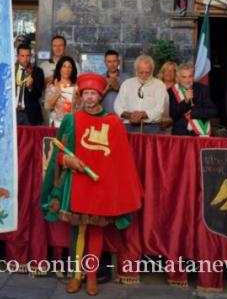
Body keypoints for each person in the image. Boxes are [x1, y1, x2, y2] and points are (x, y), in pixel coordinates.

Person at [41, 73, 143, 295]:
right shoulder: (71, 120)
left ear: (99, 96)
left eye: (93, 93)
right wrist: (67, 159)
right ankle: (76, 276)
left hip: (101, 187)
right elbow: (58, 153)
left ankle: (92, 277)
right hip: (77, 185)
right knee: (78, 232)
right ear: (81, 95)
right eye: (85, 93)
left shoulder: (113, 122)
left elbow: (121, 162)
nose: (89, 97)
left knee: (96, 232)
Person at [114, 55, 169, 134]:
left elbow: (160, 109)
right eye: (141, 72)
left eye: (147, 73)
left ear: (152, 71)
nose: (144, 76)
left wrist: (142, 115)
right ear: (136, 70)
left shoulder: (160, 85)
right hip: (128, 126)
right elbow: (117, 106)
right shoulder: (127, 84)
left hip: (151, 128)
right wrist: (130, 115)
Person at [168, 63, 217, 136]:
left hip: (200, 135)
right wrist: (186, 101)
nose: (187, 80)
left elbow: (213, 111)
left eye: (190, 76)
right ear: (178, 78)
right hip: (181, 133)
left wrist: (193, 113)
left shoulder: (203, 89)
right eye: (184, 77)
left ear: (193, 76)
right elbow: (173, 114)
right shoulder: (172, 91)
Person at [44, 56, 79, 128]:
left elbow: (81, 107)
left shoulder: (76, 86)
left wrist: (78, 95)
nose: (67, 69)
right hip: (56, 123)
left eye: (70, 67)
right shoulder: (52, 86)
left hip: (72, 123)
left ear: (73, 70)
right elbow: (48, 107)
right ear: (59, 69)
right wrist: (58, 93)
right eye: (64, 66)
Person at [15, 43, 44, 126]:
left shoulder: (37, 71)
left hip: (30, 114)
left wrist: (30, 87)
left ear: (31, 56)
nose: (25, 59)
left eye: (28, 56)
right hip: (13, 113)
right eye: (22, 56)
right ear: (17, 56)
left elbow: (38, 94)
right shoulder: (12, 71)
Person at [101, 50, 129, 116]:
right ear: (105, 63)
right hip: (105, 115)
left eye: (114, 61)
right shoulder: (100, 78)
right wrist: (106, 89)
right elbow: (95, 99)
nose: (112, 64)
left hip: (123, 117)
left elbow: (132, 98)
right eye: (109, 62)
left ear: (118, 62)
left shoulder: (127, 78)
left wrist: (117, 88)